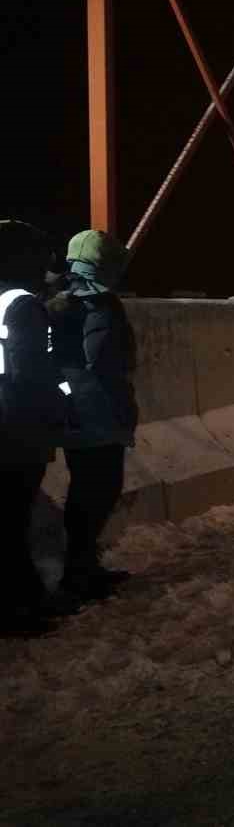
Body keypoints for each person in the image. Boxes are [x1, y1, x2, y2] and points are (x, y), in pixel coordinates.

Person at [49, 229, 140, 602]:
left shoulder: (53, 299)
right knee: (100, 490)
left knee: (84, 490)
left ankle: (82, 567)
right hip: (98, 411)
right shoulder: (100, 303)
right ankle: (79, 572)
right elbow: (102, 358)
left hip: (69, 412)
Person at [0, 221, 74, 635]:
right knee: (13, 521)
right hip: (18, 426)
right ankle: (18, 608)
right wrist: (62, 404)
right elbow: (33, 370)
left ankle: (22, 599)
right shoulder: (24, 305)